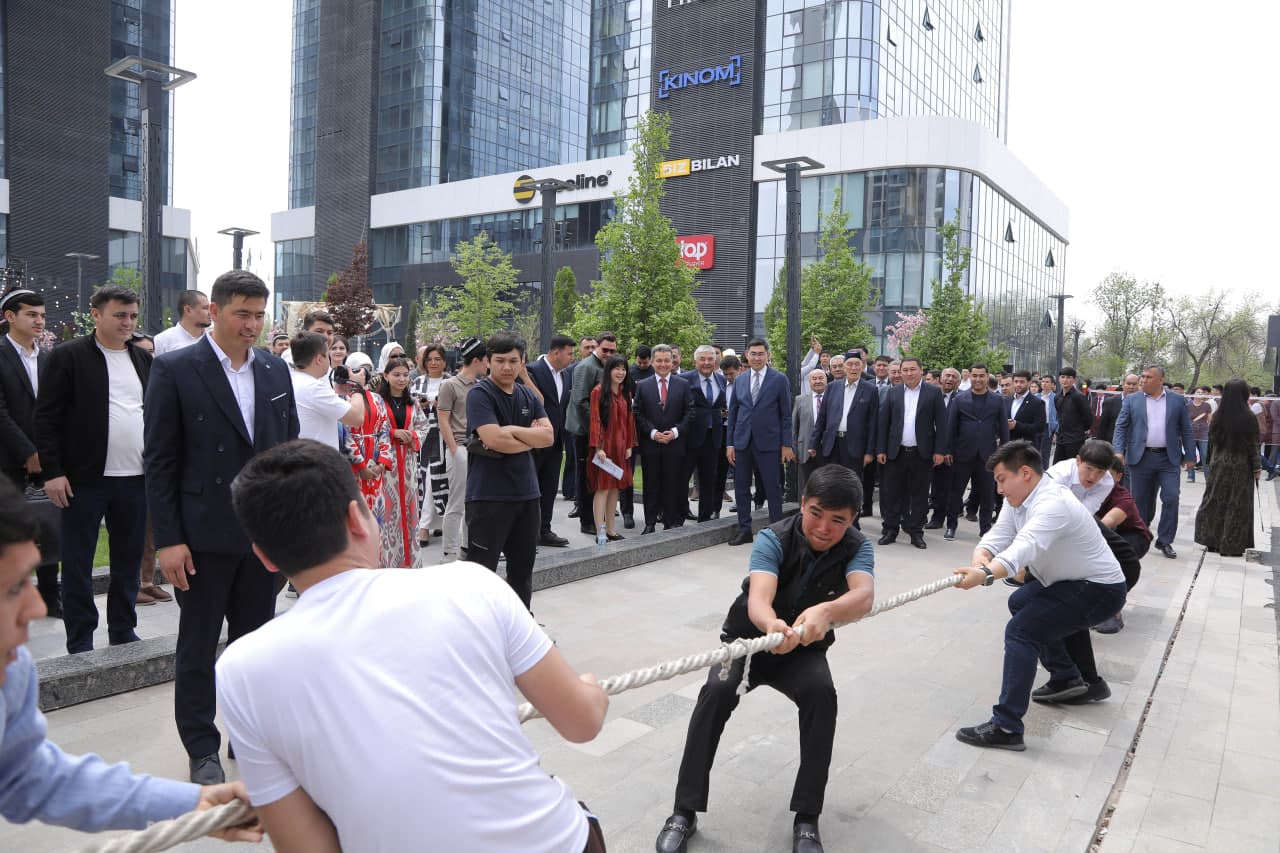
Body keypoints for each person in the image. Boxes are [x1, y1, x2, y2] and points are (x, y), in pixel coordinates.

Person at [214, 440, 608, 853]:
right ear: (357, 519)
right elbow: (582, 723)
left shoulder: (241, 669)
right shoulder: (470, 584)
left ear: (265, 557)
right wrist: (591, 691)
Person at [0, 479, 261, 840]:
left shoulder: (12, 671)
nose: (37, 607)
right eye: (14, 587)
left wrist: (189, 804)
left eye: (32, 579)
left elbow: (28, 775)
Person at [653, 465, 874, 853]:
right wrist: (772, 626)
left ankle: (807, 817)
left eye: (838, 520)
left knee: (822, 696)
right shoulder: (773, 537)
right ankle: (683, 811)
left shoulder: (858, 546)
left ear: (853, 518)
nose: (824, 527)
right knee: (715, 694)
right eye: (816, 513)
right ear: (803, 503)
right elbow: (759, 598)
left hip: (803, 649)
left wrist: (827, 611)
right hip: (750, 642)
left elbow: (864, 596)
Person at [143, 269, 300, 784]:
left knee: (256, 646)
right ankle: (201, 746)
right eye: (243, 314)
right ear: (214, 310)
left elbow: (287, 452)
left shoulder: (276, 371)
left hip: (262, 535)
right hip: (202, 534)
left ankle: (250, 738)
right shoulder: (174, 370)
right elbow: (161, 462)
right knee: (199, 644)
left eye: (259, 315)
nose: (253, 325)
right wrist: (168, 540)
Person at [951, 441, 1128, 751]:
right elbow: (1001, 532)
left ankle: (1006, 726)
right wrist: (981, 554)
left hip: (1099, 588)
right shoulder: (1020, 498)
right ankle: (1066, 677)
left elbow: (1024, 548)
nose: (1000, 488)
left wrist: (986, 574)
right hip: (1068, 580)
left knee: (1022, 631)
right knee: (1019, 602)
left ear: (1025, 473)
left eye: (1002, 479)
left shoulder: (1053, 503)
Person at [34, 284, 150, 654]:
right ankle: (81, 638)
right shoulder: (68, 356)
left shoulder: (145, 359)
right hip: (83, 479)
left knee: (128, 560)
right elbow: (46, 418)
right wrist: (52, 472)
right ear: (96, 314)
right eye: (120, 315)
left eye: (132, 315)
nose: (127, 322)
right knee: (79, 562)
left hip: (136, 478)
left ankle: (122, 629)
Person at [466, 332, 554, 609]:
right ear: (487, 361)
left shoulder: (528, 394)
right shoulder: (480, 394)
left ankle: (521, 633)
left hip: (527, 495)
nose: (507, 367)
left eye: (513, 361)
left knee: (522, 573)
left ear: (522, 362)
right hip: (488, 496)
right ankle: (480, 636)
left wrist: (514, 431)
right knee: (482, 575)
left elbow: (550, 437)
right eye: (500, 360)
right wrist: (531, 438)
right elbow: (493, 440)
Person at [0, 289, 60, 615]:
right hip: (8, 462)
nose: (39, 321)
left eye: (42, 315)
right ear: (10, 316)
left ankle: (51, 598)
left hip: (47, 462)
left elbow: (56, 410)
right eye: (32, 315)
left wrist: (47, 452)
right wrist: (26, 450)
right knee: (9, 533)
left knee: (47, 528)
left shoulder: (49, 357)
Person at [1113, 364, 1196, 559]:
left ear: (1160, 380)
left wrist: (1191, 455)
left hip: (1168, 458)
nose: (1143, 380)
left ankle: (1165, 541)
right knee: (1140, 502)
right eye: (1142, 376)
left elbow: (1186, 428)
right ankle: (1140, 538)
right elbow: (1121, 426)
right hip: (1140, 458)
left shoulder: (1176, 400)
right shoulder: (1133, 400)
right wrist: (1118, 451)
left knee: (1171, 497)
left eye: (1148, 377)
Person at [726, 339, 794, 546]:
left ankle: (776, 532)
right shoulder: (740, 379)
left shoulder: (779, 379)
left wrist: (786, 445)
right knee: (741, 488)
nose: (756, 357)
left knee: (773, 489)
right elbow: (734, 413)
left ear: (767, 355)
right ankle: (744, 530)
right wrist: (730, 444)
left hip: (770, 443)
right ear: (747, 355)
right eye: (753, 353)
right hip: (742, 443)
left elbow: (786, 415)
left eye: (760, 354)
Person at [875, 356, 945, 549]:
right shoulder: (893, 393)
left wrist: (940, 450)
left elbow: (942, 424)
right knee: (891, 494)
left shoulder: (933, 393)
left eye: (912, 369)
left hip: (922, 453)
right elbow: (884, 423)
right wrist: (880, 449)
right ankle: (890, 530)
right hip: (894, 453)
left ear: (921, 370)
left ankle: (916, 532)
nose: (908, 373)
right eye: (905, 370)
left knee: (920, 495)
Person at [127, 334, 172, 608]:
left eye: (152, 352)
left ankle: (146, 582)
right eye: (144, 352)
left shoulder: (158, 380)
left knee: (152, 532)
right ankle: (135, 585)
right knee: (136, 531)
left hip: (154, 465)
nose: (149, 357)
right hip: (129, 467)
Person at [1193, 379, 1261, 557]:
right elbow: (1253, 445)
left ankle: (1211, 541)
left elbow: (1211, 442)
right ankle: (1232, 545)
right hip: (1241, 467)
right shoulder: (1248, 417)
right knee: (1237, 505)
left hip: (1218, 465)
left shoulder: (1217, 416)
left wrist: (1209, 463)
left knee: (1215, 502)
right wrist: (1257, 468)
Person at [810, 352, 878, 528]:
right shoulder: (832, 387)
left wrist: (870, 451)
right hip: (833, 444)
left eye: (857, 365)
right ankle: (833, 521)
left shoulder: (870, 389)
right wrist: (813, 443)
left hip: (854, 446)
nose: (853, 368)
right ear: (844, 367)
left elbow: (873, 423)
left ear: (862, 367)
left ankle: (853, 524)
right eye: (850, 365)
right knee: (831, 483)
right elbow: (822, 418)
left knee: (852, 485)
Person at [340, 351, 395, 567]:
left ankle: (373, 564)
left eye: (366, 368)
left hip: (376, 470)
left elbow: (384, 429)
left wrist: (382, 461)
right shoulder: (340, 398)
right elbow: (345, 433)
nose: (362, 372)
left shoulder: (377, 398)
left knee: (375, 519)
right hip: (352, 469)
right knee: (353, 517)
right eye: (356, 368)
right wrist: (360, 465)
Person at [941, 364, 1009, 540]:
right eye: (974, 376)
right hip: (962, 453)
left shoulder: (997, 400)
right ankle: (951, 526)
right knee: (956, 493)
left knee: (987, 495)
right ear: (969, 377)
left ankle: (985, 529)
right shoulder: (959, 399)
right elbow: (951, 427)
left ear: (987, 377)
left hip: (988, 455)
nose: (978, 379)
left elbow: (1003, 429)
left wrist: (1004, 454)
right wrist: (947, 449)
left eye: (981, 376)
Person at [436, 338, 487, 562]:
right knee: (457, 503)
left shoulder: (482, 385)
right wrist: (455, 449)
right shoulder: (450, 385)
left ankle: (469, 547)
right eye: (486, 359)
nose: (488, 364)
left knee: (475, 502)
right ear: (476, 359)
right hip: (461, 449)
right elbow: (443, 420)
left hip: (480, 450)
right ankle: (449, 553)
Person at [635, 345, 695, 534]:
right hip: (651, 444)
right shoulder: (643, 385)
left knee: (673, 484)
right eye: (659, 360)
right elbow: (637, 413)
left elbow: (690, 412)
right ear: (652, 362)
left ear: (673, 361)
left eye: (666, 360)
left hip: (674, 444)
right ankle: (650, 522)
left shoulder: (683, 384)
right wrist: (652, 433)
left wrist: (676, 432)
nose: (663, 364)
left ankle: (670, 523)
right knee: (650, 485)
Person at [565, 333, 617, 535]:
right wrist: (597, 430)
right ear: (597, 347)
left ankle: (596, 517)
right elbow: (580, 401)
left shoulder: (606, 367)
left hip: (600, 432)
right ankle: (587, 521)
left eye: (613, 350)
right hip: (584, 431)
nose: (609, 353)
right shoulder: (585, 367)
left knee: (598, 476)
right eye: (605, 350)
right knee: (586, 476)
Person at [380, 355, 429, 567]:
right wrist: (392, 433)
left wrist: (413, 436)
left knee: (409, 510)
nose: (401, 379)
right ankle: (388, 562)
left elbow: (423, 427)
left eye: (405, 375)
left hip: (408, 465)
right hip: (386, 465)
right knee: (388, 513)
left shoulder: (413, 402)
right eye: (396, 375)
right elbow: (372, 429)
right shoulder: (377, 401)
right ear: (386, 376)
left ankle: (410, 561)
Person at [528, 335, 575, 548]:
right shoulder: (532, 371)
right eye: (570, 353)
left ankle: (543, 530)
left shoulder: (564, 375)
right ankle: (526, 535)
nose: (572, 358)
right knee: (531, 491)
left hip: (555, 442)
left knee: (548, 489)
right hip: (534, 442)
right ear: (556, 353)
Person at [588, 354, 637, 543]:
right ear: (608, 370)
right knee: (603, 489)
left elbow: (629, 421)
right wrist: (598, 447)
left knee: (615, 488)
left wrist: (630, 445)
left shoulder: (626, 393)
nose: (620, 372)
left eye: (623, 368)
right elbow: (595, 420)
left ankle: (611, 529)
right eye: (616, 368)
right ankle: (600, 531)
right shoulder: (598, 392)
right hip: (605, 448)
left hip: (621, 447)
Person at [289, 331, 364, 447]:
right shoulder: (313, 388)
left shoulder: (291, 380)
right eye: (327, 355)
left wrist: (336, 391)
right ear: (319, 359)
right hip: (319, 461)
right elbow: (356, 418)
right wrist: (357, 386)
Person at [681, 345, 729, 522]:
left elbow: (718, 406)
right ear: (696, 361)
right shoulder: (684, 379)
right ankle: (677, 517)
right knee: (681, 480)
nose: (707, 362)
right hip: (689, 438)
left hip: (713, 437)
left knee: (709, 481)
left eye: (710, 359)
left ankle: (705, 518)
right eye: (703, 359)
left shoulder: (721, 380)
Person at [409, 343, 450, 547]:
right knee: (425, 480)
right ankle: (423, 526)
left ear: (444, 361)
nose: (433, 363)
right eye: (430, 359)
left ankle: (433, 523)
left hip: (446, 437)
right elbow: (409, 410)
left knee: (440, 481)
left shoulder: (450, 382)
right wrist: (420, 405)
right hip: (424, 437)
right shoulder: (417, 382)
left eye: (437, 359)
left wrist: (441, 406)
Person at [926, 367, 962, 530]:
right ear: (940, 378)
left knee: (943, 486)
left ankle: (939, 518)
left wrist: (948, 450)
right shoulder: (930, 395)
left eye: (953, 377)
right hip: (926, 446)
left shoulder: (961, 399)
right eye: (947, 375)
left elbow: (959, 429)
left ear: (958, 382)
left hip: (948, 451)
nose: (949, 379)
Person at [1044, 439, 1116, 514]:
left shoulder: (1107, 482)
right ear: (1078, 460)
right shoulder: (1059, 474)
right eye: (1089, 468)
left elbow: (1086, 511)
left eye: (1100, 472)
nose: (1092, 477)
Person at [793, 369, 827, 497]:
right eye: (814, 379)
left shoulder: (833, 398)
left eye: (820, 378)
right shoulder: (800, 400)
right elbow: (794, 427)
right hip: (804, 450)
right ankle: (804, 514)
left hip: (827, 450)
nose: (818, 381)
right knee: (805, 487)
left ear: (826, 380)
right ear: (809, 381)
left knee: (826, 485)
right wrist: (794, 449)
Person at [152, 290, 211, 356]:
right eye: (205, 308)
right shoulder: (162, 341)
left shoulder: (214, 339)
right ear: (188, 310)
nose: (210, 312)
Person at [1053, 367, 1092, 463]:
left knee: (1074, 468)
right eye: (1062, 377)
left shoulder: (1079, 397)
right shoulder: (1057, 397)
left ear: (1074, 379)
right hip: (1061, 439)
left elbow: (1088, 418)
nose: (1065, 380)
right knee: (1057, 468)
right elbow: (1059, 416)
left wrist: (1077, 430)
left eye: (1068, 377)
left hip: (1075, 440)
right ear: (1059, 379)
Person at [1096, 374, 1139, 445]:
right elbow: (1102, 427)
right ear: (1123, 385)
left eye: (1134, 384)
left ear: (1138, 385)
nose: (1131, 387)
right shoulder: (1110, 402)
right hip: (1112, 445)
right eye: (1128, 384)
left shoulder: (1143, 403)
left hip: (1134, 446)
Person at [1186, 386, 1213, 483]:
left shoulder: (1207, 405)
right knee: (1191, 455)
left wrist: (1211, 431)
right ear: (1193, 394)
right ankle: (1190, 475)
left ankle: (1208, 476)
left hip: (1204, 432)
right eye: (1198, 392)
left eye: (1202, 392)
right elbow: (1185, 420)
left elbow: (1210, 420)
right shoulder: (1188, 405)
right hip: (1190, 433)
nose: (1200, 394)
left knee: (1205, 455)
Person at [1037, 375, 1058, 463]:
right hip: (1036, 427)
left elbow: (1059, 416)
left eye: (1047, 382)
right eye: (1043, 381)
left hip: (1048, 427)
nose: (1044, 384)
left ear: (1052, 384)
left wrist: (1056, 432)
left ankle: (1044, 472)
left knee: (1045, 452)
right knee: (1034, 451)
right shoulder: (1036, 397)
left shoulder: (1056, 398)